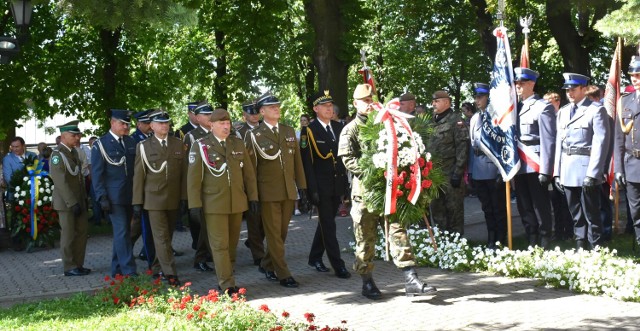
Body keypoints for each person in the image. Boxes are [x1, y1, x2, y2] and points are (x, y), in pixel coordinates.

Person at [338, 83, 437, 299]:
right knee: (365, 239)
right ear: (355, 104)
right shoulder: (351, 129)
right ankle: (367, 282)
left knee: (398, 231)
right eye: (364, 101)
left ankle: (411, 279)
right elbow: (348, 160)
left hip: (389, 192)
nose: (369, 103)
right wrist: (374, 171)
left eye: (371, 99)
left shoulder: (386, 124)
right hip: (365, 194)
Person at [188, 108, 259, 294]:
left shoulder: (237, 143)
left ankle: (228, 274)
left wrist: (253, 197)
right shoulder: (201, 145)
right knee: (220, 245)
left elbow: (249, 175)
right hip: (214, 204)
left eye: (228, 123)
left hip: (236, 201)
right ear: (211, 125)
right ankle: (227, 284)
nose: (226, 127)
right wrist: (194, 205)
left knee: (232, 244)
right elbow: (193, 179)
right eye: (222, 124)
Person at [245, 92, 307, 288]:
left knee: (281, 234)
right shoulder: (254, 135)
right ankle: (283, 273)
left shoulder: (288, 131)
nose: (276, 108)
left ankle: (266, 263)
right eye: (272, 107)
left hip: (288, 191)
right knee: (274, 235)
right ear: (262, 111)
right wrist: (253, 197)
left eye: (277, 105)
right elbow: (250, 171)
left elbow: (297, 163)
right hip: (268, 193)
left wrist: (302, 187)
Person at [553, 73, 611, 250]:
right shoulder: (563, 112)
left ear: (584, 89)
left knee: (591, 213)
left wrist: (593, 173)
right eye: (567, 90)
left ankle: (596, 247)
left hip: (586, 169)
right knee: (575, 213)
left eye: (573, 89)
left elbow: (601, 143)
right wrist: (557, 172)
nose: (569, 93)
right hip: (568, 169)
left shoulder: (595, 110)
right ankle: (580, 246)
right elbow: (559, 144)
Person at [300, 90, 351, 279]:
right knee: (329, 225)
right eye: (325, 106)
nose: (329, 109)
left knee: (327, 222)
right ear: (315, 109)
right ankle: (338, 265)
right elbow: (307, 163)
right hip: (320, 187)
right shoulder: (309, 132)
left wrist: (344, 185)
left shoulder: (339, 127)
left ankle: (314, 257)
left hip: (337, 184)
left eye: (331, 105)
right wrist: (311, 189)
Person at [132, 110, 186, 285]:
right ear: (152, 126)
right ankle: (171, 273)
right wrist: (137, 202)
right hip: (153, 199)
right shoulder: (144, 146)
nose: (164, 126)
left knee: (167, 236)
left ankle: (156, 266)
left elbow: (184, 174)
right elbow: (139, 176)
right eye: (160, 123)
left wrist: (185, 197)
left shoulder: (178, 144)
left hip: (173, 197)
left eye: (166, 123)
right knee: (161, 237)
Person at [513, 67, 556, 248]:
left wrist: (546, 170)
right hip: (519, 164)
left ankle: (545, 235)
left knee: (540, 204)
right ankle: (531, 235)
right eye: (516, 83)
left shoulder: (543, 106)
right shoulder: (514, 108)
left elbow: (549, 140)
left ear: (532, 84)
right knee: (524, 203)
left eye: (522, 83)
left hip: (535, 163)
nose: (518, 87)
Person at [91, 109, 138, 277]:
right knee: (122, 232)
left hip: (130, 194)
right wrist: (101, 196)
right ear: (112, 122)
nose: (126, 127)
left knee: (124, 232)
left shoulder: (131, 142)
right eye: (122, 123)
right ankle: (129, 270)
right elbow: (97, 174)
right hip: (113, 197)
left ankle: (117, 268)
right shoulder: (101, 144)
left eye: (127, 124)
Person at [468, 83, 507, 248]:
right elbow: (471, 147)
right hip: (478, 168)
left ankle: (501, 238)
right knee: (486, 207)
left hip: (493, 167)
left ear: (488, 98)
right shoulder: (475, 118)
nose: (477, 100)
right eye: (476, 97)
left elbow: (503, 146)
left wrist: (501, 171)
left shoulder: (498, 118)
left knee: (498, 207)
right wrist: (470, 171)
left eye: (480, 97)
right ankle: (491, 237)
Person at [50, 121, 90, 276]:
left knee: (81, 233)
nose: (77, 138)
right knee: (68, 235)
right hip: (66, 203)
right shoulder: (57, 154)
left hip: (78, 200)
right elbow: (60, 181)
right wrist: (72, 202)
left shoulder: (73, 152)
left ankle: (78, 264)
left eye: (78, 135)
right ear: (63, 136)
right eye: (74, 135)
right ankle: (69, 266)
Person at [427, 90, 469, 234]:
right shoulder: (430, 121)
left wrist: (457, 173)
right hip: (434, 175)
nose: (433, 104)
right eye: (433, 101)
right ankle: (442, 243)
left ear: (446, 102)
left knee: (454, 212)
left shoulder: (456, 122)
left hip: (450, 174)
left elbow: (462, 149)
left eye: (437, 101)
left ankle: (457, 245)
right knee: (437, 211)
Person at [183, 102, 215, 272]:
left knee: (212, 225)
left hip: (217, 186)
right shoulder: (192, 136)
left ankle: (209, 255)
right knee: (204, 225)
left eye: (211, 114)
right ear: (197, 117)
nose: (210, 117)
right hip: (202, 188)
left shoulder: (218, 133)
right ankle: (201, 257)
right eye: (206, 115)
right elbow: (189, 167)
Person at [236, 100, 266, 267]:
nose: (254, 115)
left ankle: (254, 242)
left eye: (256, 112)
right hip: (249, 179)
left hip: (267, 179)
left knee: (266, 219)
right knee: (254, 219)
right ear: (244, 115)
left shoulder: (265, 128)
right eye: (250, 113)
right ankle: (258, 254)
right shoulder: (239, 131)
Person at [615, 56, 640, 247]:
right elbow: (619, 138)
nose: (634, 78)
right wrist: (618, 168)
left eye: (638, 75)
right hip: (631, 163)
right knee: (636, 211)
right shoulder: (624, 101)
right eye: (632, 75)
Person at [130, 109, 155, 264]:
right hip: (142, 189)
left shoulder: (152, 138)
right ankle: (131, 249)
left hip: (153, 189)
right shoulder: (133, 140)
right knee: (140, 226)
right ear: (138, 124)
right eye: (146, 123)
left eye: (149, 123)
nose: (149, 126)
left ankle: (147, 251)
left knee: (150, 226)